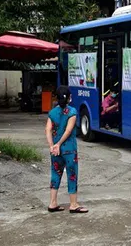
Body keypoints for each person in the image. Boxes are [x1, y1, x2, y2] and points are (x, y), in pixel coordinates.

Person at [45, 85, 88, 214]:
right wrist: (59, 144)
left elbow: (47, 129)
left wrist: (52, 146)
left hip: (56, 151)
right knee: (72, 175)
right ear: (69, 98)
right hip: (69, 150)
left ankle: (52, 203)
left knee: (55, 174)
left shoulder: (52, 113)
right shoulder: (72, 112)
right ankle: (73, 204)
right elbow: (69, 131)